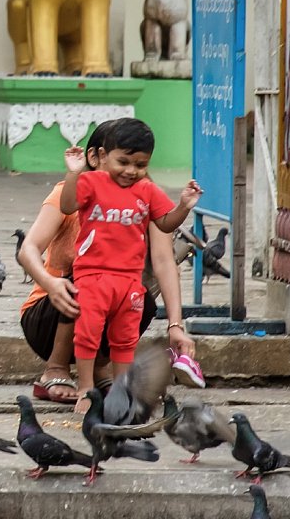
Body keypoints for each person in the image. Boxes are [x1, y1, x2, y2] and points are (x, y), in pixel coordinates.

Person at [16, 119, 200, 405]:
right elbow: (28, 249)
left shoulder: (143, 195)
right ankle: (56, 367)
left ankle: (104, 369)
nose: (130, 172)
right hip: (52, 313)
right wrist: (50, 283)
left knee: (138, 297)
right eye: (122, 161)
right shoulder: (73, 191)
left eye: (139, 165)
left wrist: (175, 325)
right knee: (83, 283)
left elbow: (165, 261)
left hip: (111, 297)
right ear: (97, 157)